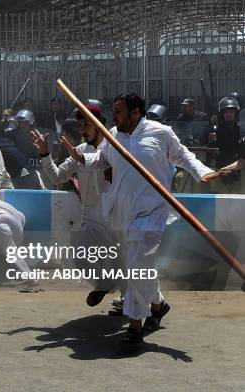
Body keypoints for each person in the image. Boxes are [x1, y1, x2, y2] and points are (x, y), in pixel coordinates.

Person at [62, 93, 217, 346]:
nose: (115, 115)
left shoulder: (160, 132)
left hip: (152, 211)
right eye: (113, 110)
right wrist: (82, 158)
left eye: (119, 111)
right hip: (121, 212)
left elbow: (183, 155)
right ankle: (157, 305)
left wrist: (202, 172)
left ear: (136, 113)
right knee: (140, 265)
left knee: (135, 264)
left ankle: (134, 326)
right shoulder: (113, 135)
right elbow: (102, 160)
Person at [32, 105, 123, 309]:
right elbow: (57, 177)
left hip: (117, 219)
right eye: (81, 126)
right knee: (77, 256)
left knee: (124, 264)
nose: (83, 130)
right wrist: (45, 154)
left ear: (101, 125)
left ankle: (141, 304)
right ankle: (104, 284)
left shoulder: (116, 149)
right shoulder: (79, 152)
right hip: (91, 219)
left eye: (87, 125)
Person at [200, 97, 243, 194]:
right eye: (226, 112)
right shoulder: (216, 128)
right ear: (222, 114)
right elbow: (202, 142)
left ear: (235, 113)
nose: (228, 114)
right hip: (219, 168)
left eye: (231, 112)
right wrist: (210, 137)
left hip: (238, 167)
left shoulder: (241, 128)